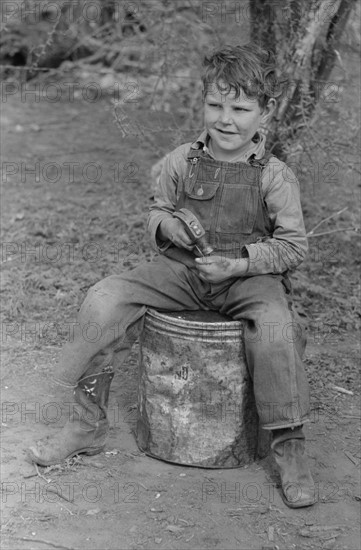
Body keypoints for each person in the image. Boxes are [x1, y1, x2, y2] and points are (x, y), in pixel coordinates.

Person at [28, 44, 315, 508]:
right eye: (216, 105)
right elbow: (156, 211)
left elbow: (293, 247)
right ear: (202, 103)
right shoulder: (181, 160)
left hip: (247, 280)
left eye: (241, 108)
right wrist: (168, 226)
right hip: (182, 271)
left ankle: (289, 449)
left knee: (277, 330)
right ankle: (85, 425)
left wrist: (240, 263)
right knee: (105, 298)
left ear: (265, 113)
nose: (226, 119)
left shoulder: (275, 177)